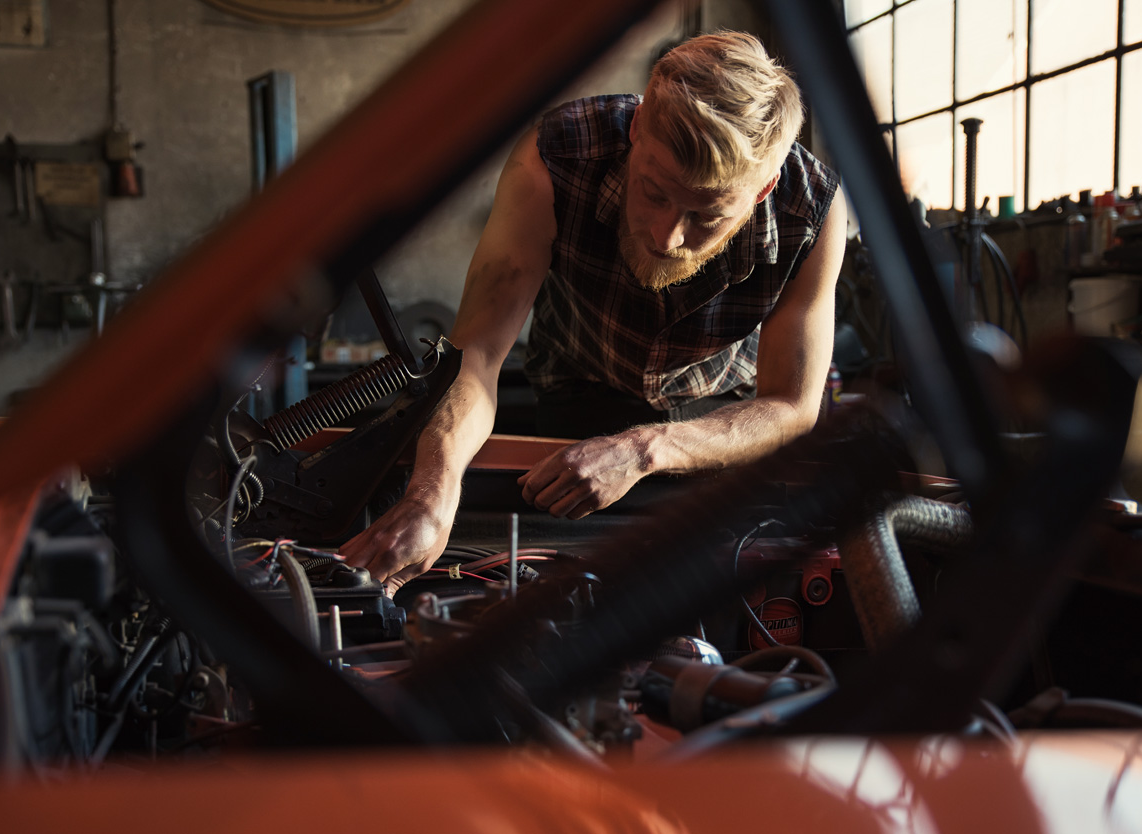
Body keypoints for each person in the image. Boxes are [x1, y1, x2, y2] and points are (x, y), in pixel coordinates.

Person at [341, 30, 847, 593]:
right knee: (564, 589)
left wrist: (644, 449)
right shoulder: (555, 157)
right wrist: (431, 495)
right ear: (637, 129)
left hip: (723, 417)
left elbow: (792, 406)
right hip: (579, 394)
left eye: (708, 217)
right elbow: (476, 355)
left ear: (764, 188)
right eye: (653, 192)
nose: (668, 237)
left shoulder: (812, 210)